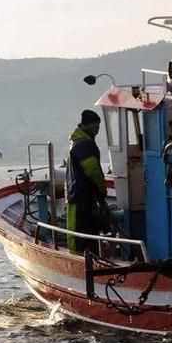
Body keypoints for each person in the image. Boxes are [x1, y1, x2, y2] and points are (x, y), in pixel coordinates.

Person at [65, 109, 108, 254]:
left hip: (76, 195)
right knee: (84, 231)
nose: (98, 130)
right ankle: (84, 259)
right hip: (82, 197)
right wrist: (102, 192)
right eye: (96, 126)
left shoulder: (76, 142)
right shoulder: (84, 145)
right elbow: (93, 171)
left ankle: (78, 254)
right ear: (89, 125)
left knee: (77, 231)